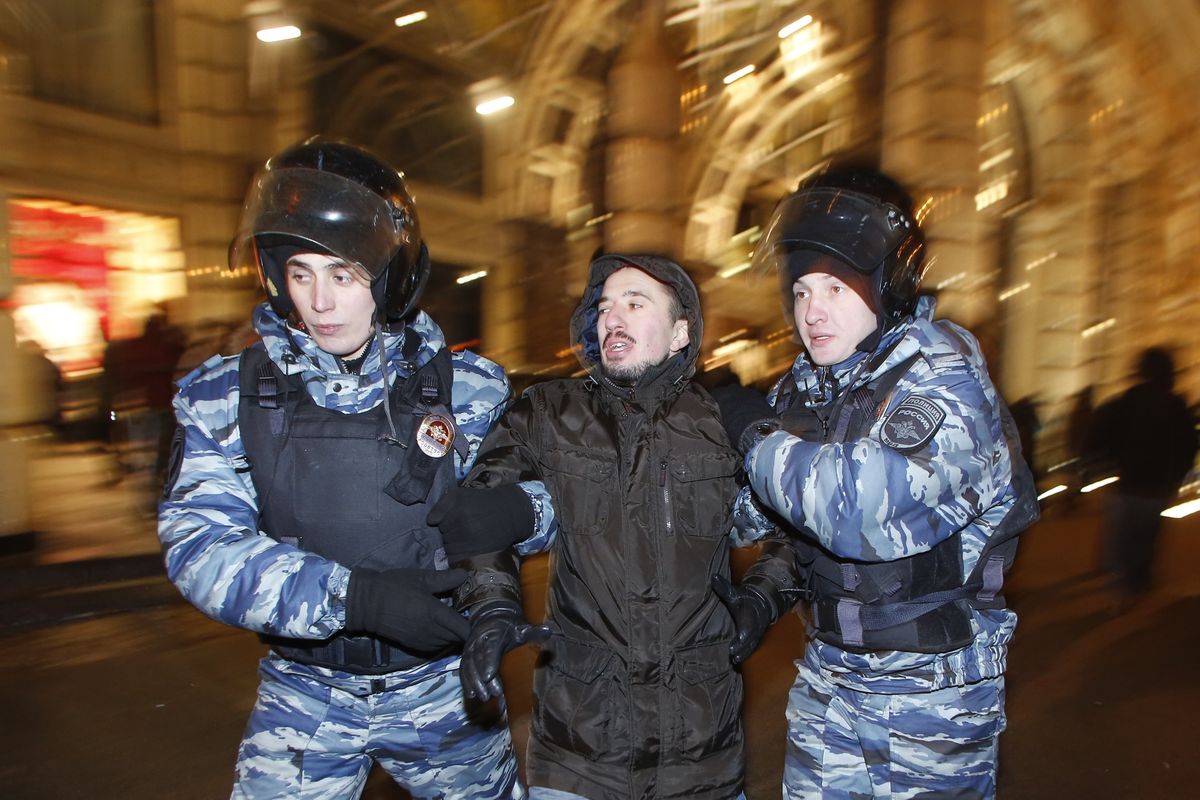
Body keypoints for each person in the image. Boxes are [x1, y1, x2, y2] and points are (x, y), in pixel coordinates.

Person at [157, 138, 524, 799]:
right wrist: (354, 598)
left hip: (443, 689)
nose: (320, 302)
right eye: (301, 274)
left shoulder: (471, 390)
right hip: (306, 696)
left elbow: (528, 508)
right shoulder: (223, 398)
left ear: (385, 277)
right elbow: (200, 549)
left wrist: (506, 568)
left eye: (343, 276)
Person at [715, 166, 1040, 798]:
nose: (813, 312)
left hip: (932, 698)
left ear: (885, 284)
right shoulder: (804, 386)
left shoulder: (942, 373)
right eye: (802, 291)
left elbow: (860, 514)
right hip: (831, 682)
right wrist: (761, 594)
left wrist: (754, 437)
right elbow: (770, 521)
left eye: (835, 288)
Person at [427, 253, 804, 799]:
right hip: (579, 751)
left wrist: (763, 598)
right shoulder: (547, 412)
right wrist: (493, 606)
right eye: (604, 306)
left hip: (702, 755)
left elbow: (798, 523)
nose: (612, 317)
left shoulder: (721, 423)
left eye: (635, 302)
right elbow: (481, 512)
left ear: (680, 334)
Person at [1088, 347, 1196, 610]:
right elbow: (1189, 445)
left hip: (1126, 482)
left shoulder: (1125, 401)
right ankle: (1138, 583)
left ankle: (1122, 588)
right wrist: (1178, 477)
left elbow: (1098, 434)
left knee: (1122, 536)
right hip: (1158, 486)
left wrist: (1105, 463)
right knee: (1146, 537)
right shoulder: (1177, 405)